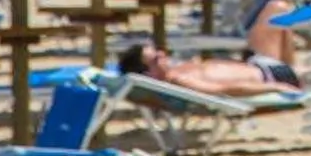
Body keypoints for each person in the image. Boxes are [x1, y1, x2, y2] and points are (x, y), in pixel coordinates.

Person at [116, 41, 298, 96]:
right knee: (276, 8)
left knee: (276, 9)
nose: (163, 54)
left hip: (259, 65)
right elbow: (224, 90)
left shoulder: (177, 71)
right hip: (272, 76)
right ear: (150, 74)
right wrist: (275, 87)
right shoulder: (180, 80)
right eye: (157, 58)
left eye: (159, 51)